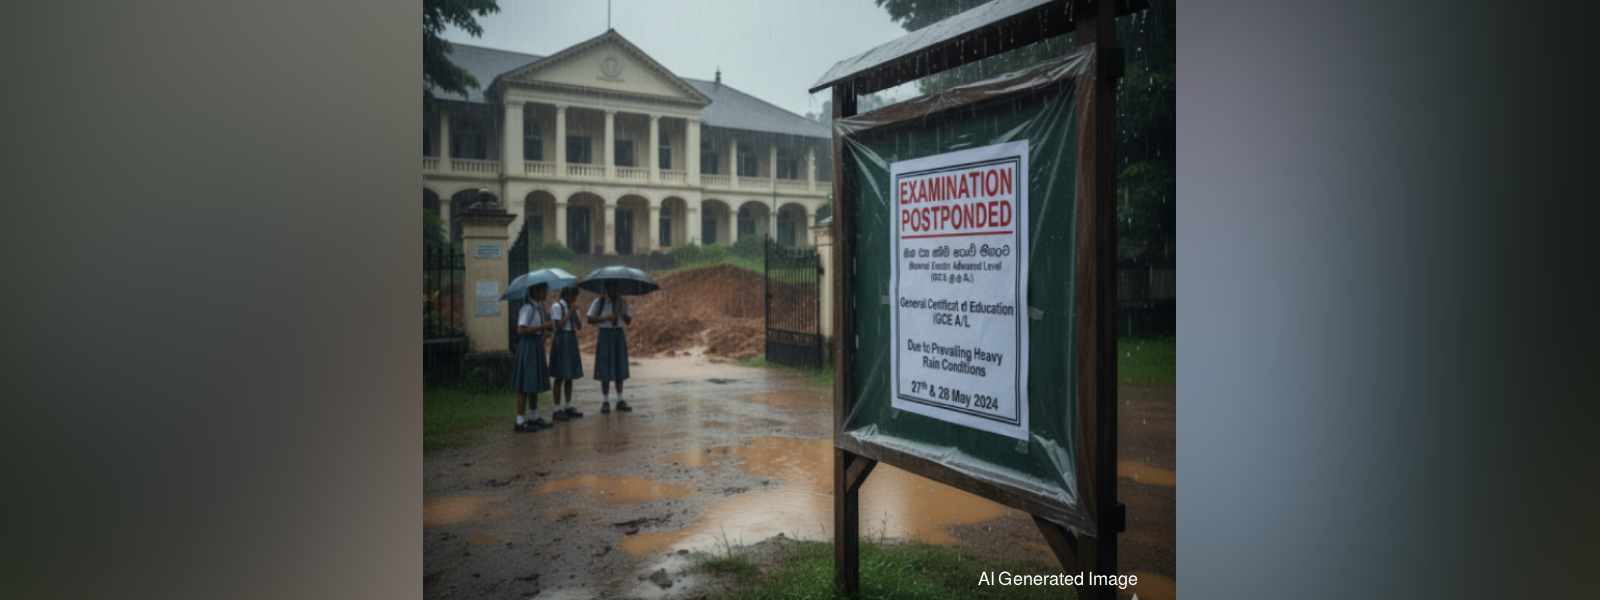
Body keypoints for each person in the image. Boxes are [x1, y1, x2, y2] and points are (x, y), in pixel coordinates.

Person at [511, 283, 555, 432]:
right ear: (536, 291)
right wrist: (543, 327)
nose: (546, 292)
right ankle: (520, 421)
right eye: (544, 290)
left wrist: (546, 330)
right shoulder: (528, 308)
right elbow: (521, 329)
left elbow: (541, 328)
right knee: (524, 384)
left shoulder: (540, 308)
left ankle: (534, 417)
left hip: (536, 345)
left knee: (534, 382)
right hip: (528, 346)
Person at [587, 281, 633, 413]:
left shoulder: (622, 302)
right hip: (605, 335)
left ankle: (620, 400)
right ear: (607, 288)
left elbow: (628, 321)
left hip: (618, 334)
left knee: (620, 367)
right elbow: (589, 319)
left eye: (616, 287)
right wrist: (606, 318)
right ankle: (605, 401)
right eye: (611, 287)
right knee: (605, 369)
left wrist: (622, 313)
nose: (614, 290)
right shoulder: (599, 302)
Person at [546, 286, 584, 421]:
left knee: (570, 375)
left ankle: (568, 406)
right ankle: (557, 409)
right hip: (561, 340)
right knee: (559, 375)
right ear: (566, 296)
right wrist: (570, 312)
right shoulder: (557, 307)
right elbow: (559, 326)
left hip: (571, 338)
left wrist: (574, 313)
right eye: (573, 296)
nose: (575, 299)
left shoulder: (572, 307)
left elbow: (579, 326)